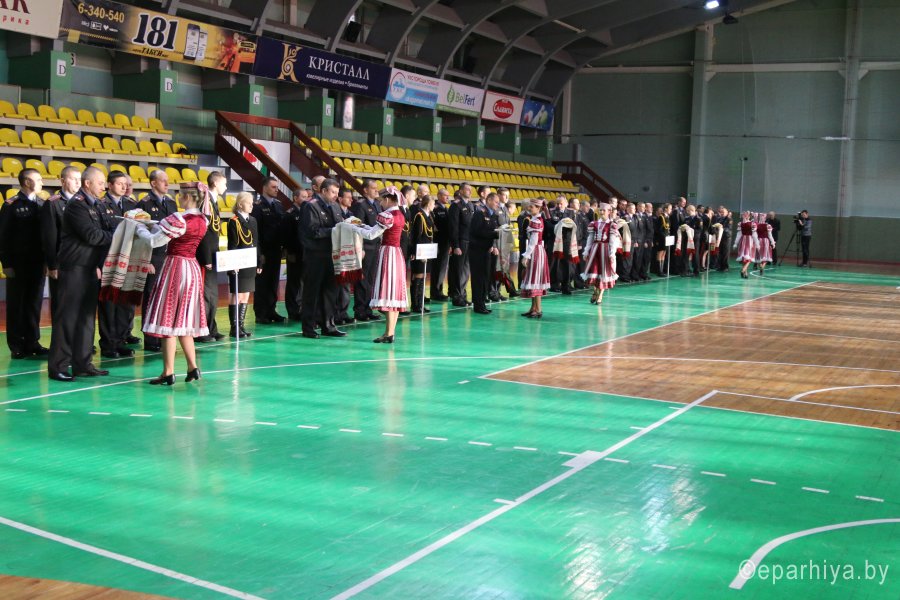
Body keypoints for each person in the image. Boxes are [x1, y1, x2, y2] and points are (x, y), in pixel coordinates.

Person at [137, 182, 210, 385]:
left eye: (180, 194)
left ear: (187, 197)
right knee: (183, 321)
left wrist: (139, 227)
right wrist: (153, 225)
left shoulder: (179, 218)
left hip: (175, 267)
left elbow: (154, 241)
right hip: (192, 268)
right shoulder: (203, 219)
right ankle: (192, 367)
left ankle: (168, 371)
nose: (178, 197)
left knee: (168, 319)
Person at [47, 167, 114, 382]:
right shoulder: (77, 205)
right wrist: (118, 234)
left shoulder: (98, 205)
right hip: (74, 268)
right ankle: (58, 366)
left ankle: (83, 364)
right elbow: (92, 235)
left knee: (86, 318)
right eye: (100, 183)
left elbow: (107, 228)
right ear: (88, 183)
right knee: (68, 318)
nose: (104, 186)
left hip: (89, 268)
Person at [0, 168, 48, 358]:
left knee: (34, 303)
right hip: (18, 263)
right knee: (17, 304)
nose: (42, 182)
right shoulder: (11, 205)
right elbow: (3, 236)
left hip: (37, 262)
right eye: (39, 179)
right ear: (27, 182)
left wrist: (47, 261)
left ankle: (32, 341)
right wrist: (6, 264)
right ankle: (17, 345)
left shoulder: (42, 204)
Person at [350, 187, 407, 343]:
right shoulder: (399, 214)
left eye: (381, 200)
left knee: (387, 293)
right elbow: (374, 229)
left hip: (387, 253)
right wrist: (360, 225)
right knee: (393, 295)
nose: (380, 203)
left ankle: (388, 333)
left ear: (387, 199)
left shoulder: (387, 215)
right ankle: (390, 333)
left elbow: (371, 234)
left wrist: (353, 227)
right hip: (396, 253)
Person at [97, 171, 138, 358]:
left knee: (125, 304)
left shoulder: (131, 205)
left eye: (126, 184)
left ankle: (121, 341)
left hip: (128, 260)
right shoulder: (100, 204)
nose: (124, 187)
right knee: (109, 305)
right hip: (109, 260)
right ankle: (108, 344)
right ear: (110, 185)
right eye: (120, 183)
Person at [299, 178, 345, 339]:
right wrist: (335, 230)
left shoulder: (335, 206)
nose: (336, 196)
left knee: (330, 291)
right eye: (333, 192)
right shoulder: (310, 206)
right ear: (323, 191)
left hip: (332, 254)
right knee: (312, 292)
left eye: (337, 193)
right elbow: (312, 231)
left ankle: (328, 325)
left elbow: (340, 225)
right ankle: (308, 327)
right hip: (315, 255)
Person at [140, 169, 178, 351]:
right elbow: (141, 235)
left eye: (167, 180)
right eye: (163, 180)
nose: (167, 184)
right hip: (153, 257)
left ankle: (162, 336)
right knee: (151, 297)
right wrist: (145, 260)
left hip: (168, 256)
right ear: (153, 183)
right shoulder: (144, 204)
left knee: (165, 297)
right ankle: (150, 339)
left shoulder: (171, 203)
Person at [195, 171, 227, 342]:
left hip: (214, 254)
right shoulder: (205, 203)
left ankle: (211, 327)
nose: (226, 187)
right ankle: (202, 330)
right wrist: (206, 258)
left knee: (212, 294)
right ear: (215, 183)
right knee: (206, 294)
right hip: (206, 256)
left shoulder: (213, 202)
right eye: (224, 183)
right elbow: (204, 233)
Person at [226, 192, 262, 338]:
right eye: (248, 203)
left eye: (252, 203)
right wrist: (233, 263)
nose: (251, 206)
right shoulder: (234, 221)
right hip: (239, 262)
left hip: (250, 262)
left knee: (246, 295)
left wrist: (259, 261)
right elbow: (232, 245)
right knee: (237, 294)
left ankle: (241, 326)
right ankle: (234, 327)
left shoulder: (253, 220)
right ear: (240, 204)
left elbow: (256, 242)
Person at [252, 177, 286, 324]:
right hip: (264, 251)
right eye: (273, 187)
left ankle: (271, 310)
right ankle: (261, 313)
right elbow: (256, 232)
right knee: (262, 283)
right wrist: (259, 254)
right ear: (265, 188)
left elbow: (282, 227)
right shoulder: (257, 206)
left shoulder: (278, 205)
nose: (276, 189)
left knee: (273, 282)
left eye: (277, 187)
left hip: (276, 249)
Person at [351, 179, 382, 322]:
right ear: (365, 190)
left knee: (370, 279)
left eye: (377, 187)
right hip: (366, 247)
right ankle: (360, 310)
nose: (376, 190)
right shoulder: (360, 205)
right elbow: (357, 227)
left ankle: (368, 308)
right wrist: (361, 248)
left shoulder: (377, 204)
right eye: (373, 188)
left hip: (375, 246)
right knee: (362, 279)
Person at [581, 202, 620, 305]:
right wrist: (586, 251)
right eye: (600, 210)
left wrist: (612, 253)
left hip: (605, 250)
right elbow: (590, 239)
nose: (601, 212)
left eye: (604, 210)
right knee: (594, 271)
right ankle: (595, 291)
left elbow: (613, 241)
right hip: (595, 250)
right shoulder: (594, 223)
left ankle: (600, 295)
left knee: (604, 273)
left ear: (609, 211)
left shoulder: (612, 225)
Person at [519, 199, 550, 319]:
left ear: (538, 208)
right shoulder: (536, 219)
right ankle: (533, 308)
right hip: (537, 251)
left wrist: (526, 256)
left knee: (536, 280)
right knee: (533, 280)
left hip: (536, 252)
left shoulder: (536, 221)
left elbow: (533, 242)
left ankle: (538, 309)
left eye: (531, 207)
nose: (529, 208)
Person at [281, 188, 307, 322]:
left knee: (302, 282)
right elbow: (286, 236)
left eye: (307, 197)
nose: (306, 199)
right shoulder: (290, 214)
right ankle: (293, 310)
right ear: (295, 198)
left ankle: (301, 308)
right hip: (294, 253)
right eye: (303, 196)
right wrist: (289, 252)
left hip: (305, 252)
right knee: (294, 282)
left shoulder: (306, 212)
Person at [448, 184, 475, 307]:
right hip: (461, 242)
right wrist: (455, 245)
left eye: (470, 189)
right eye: (467, 189)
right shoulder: (456, 205)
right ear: (460, 191)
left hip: (470, 242)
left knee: (466, 270)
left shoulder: (471, 205)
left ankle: (462, 295)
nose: (469, 191)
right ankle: (456, 296)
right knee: (457, 270)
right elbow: (453, 227)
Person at [409, 194, 435, 313]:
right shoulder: (419, 216)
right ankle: (415, 305)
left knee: (423, 277)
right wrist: (419, 253)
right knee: (418, 277)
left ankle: (421, 303)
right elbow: (416, 236)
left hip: (427, 249)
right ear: (428, 204)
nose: (434, 206)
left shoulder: (429, 216)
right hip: (420, 251)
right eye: (433, 203)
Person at [429, 188, 451, 301]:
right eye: (445, 195)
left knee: (442, 268)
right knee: (438, 267)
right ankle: (435, 292)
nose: (447, 197)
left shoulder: (446, 209)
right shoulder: (435, 209)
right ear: (438, 196)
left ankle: (439, 290)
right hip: (438, 242)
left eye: (448, 195)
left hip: (445, 242)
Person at [734, 211, 759, 279]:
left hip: (743, 240)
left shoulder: (741, 223)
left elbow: (739, 234)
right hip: (749, 241)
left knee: (744, 257)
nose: (744, 216)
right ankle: (743, 270)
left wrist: (736, 243)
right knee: (749, 257)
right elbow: (754, 235)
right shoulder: (751, 224)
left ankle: (745, 273)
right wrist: (757, 244)